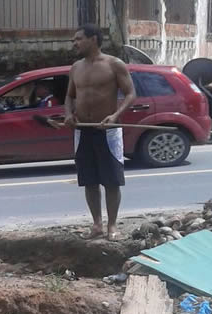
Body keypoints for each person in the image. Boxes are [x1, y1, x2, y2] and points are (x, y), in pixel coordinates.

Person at [62, 23, 136, 241]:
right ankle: (97, 225)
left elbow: (131, 94)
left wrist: (115, 116)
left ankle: (112, 226)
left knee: (111, 181)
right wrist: (68, 114)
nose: (74, 43)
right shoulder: (76, 67)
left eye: (78, 39)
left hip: (108, 131)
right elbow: (69, 96)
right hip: (82, 131)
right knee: (89, 180)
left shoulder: (114, 64)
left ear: (93, 39)